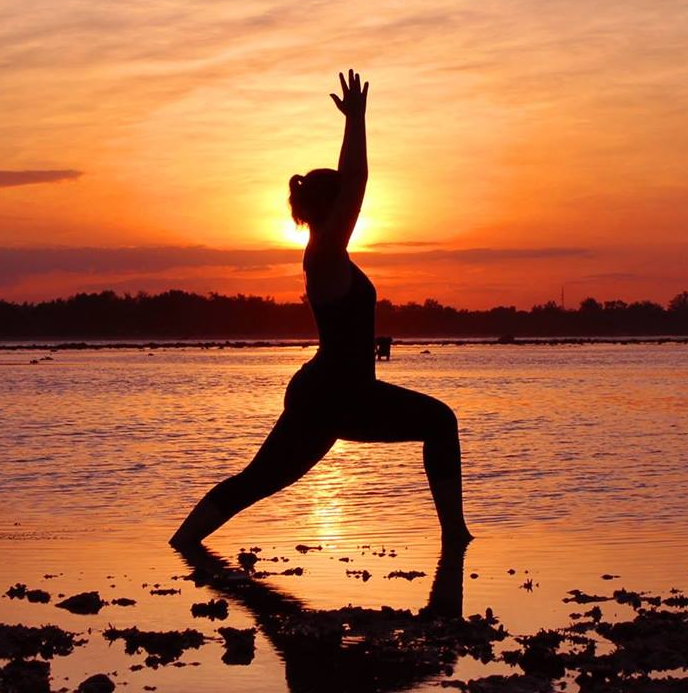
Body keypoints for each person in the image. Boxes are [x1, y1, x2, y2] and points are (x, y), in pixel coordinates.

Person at [169, 70, 472, 546]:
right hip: (333, 395)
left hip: (335, 392)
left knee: (257, 481)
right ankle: (455, 535)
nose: (354, 209)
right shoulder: (326, 254)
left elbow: (348, 184)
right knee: (440, 423)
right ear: (332, 211)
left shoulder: (327, 254)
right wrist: (356, 120)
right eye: (345, 205)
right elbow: (356, 178)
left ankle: (183, 545)